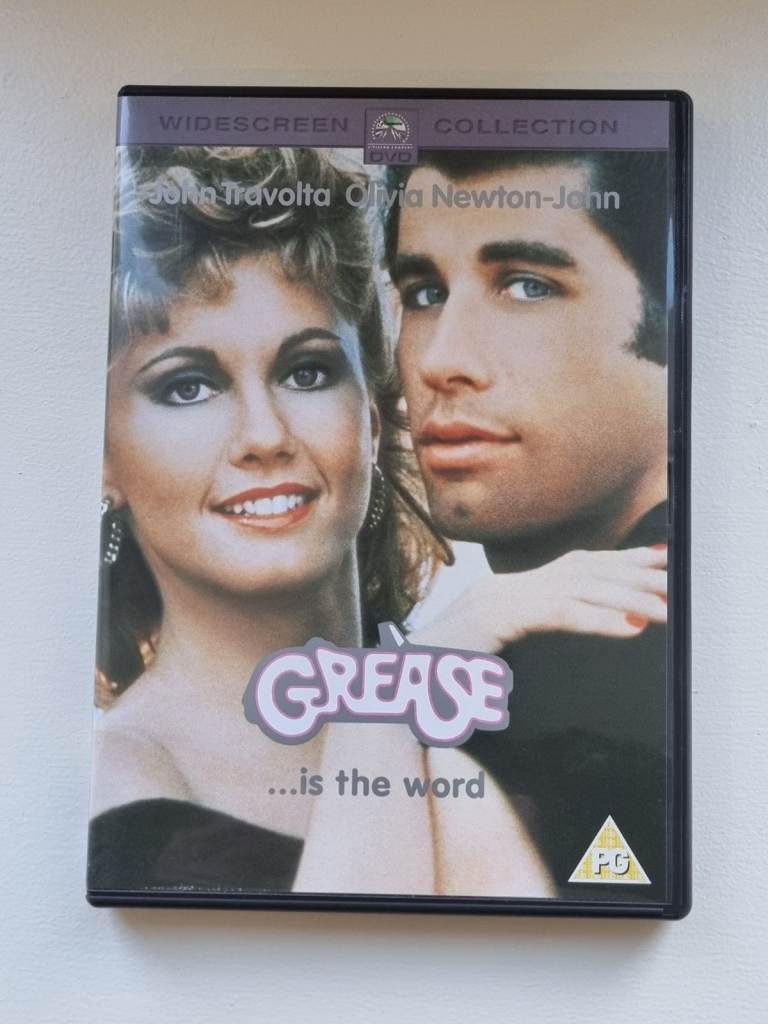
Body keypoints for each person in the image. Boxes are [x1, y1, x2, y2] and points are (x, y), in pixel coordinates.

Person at [89, 144, 559, 899]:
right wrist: (396, 695)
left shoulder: (526, 725)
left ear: (372, 415)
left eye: (306, 371)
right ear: (104, 460)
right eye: (187, 387)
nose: (265, 435)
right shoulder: (121, 783)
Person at [385, 149, 671, 898]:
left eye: (526, 285)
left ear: (671, 326)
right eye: (423, 293)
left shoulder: (575, 693)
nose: (440, 360)